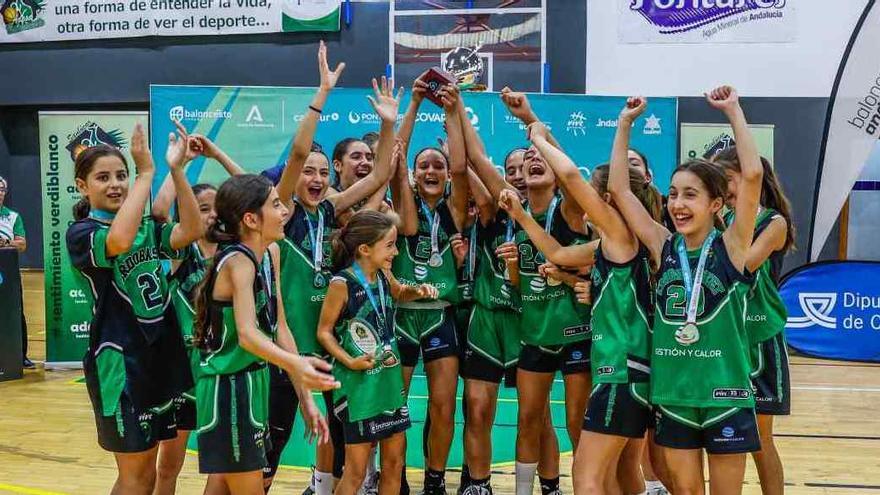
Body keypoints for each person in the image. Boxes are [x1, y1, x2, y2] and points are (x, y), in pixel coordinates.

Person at [609, 88, 763, 494]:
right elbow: (621, 192)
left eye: (691, 195)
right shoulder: (662, 246)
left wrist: (733, 111)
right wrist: (625, 123)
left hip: (726, 393)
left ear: (716, 204)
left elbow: (752, 176)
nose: (677, 203)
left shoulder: (732, 246)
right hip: (674, 393)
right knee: (687, 491)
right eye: (674, 194)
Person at [272, 43, 399, 495]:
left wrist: (387, 123)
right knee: (285, 432)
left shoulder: (329, 209)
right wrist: (321, 94)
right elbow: (296, 152)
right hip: (290, 342)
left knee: (331, 423)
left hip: (328, 336)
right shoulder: (282, 211)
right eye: (310, 171)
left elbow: (381, 173)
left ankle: (325, 487)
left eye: (323, 172)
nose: (317, 178)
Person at [65, 123, 201, 494]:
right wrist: (144, 173)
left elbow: (190, 230)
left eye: (121, 175)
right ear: (82, 186)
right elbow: (119, 239)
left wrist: (177, 171)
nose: (115, 184)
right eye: (103, 177)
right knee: (136, 475)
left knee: (151, 472)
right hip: (121, 364)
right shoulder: (82, 232)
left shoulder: (146, 226)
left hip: (160, 354)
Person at [193, 173, 338, 494]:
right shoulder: (237, 262)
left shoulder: (271, 254)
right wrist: (298, 364)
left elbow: (280, 328)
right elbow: (247, 334)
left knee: (221, 485)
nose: (284, 211)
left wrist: (305, 396)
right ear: (251, 219)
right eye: (275, 205)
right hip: (227, 389)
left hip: (252, 383)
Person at [316, 209, 439, 495]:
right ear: (364, 249)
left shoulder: (383, 273)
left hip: (388, 378)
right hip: (358, 386)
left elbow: (397, 292)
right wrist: (349, 360)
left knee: (395, 463)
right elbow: (323, 332)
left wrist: (418, 290)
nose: (396, 252)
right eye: (390, 245)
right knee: (356, 471)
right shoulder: (341, 283)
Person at [150, 130, 245, 495]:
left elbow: (252, 190)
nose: (210, 216)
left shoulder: (235, 255)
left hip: (221, 369)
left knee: (220, 465)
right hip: (182, 372)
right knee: (169, 465)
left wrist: (218, 156)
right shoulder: (180, 253)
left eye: (215, 209)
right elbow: (159, 212)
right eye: (201, 208)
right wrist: (181, 166)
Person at [390, 76, 470, 495]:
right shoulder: (401, 198)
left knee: (443, 407)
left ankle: (435, 481)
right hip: (401, 314)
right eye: (425, 165)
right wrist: (416, 101)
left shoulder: (457, 205)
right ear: (414, 174)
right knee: (395, 409)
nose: (433, 170)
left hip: (440, 317)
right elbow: (393, 157)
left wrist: (451, 110)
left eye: (437, 165)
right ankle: (394, 478)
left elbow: (460, 165)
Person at [716, 148, 794, 495]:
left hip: (761, 336)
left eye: (727, 179)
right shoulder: (722, 221)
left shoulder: (774, 222)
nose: (721, 187)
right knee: (729, 434)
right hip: (728, 337)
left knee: (761, 439)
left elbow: (743, 264)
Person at [0, 175, 31, 368]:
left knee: (16, 313)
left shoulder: (12, 216)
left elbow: (22, 244)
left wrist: (5, 243)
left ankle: (21, 356)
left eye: (2, 190)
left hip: (8, 275)